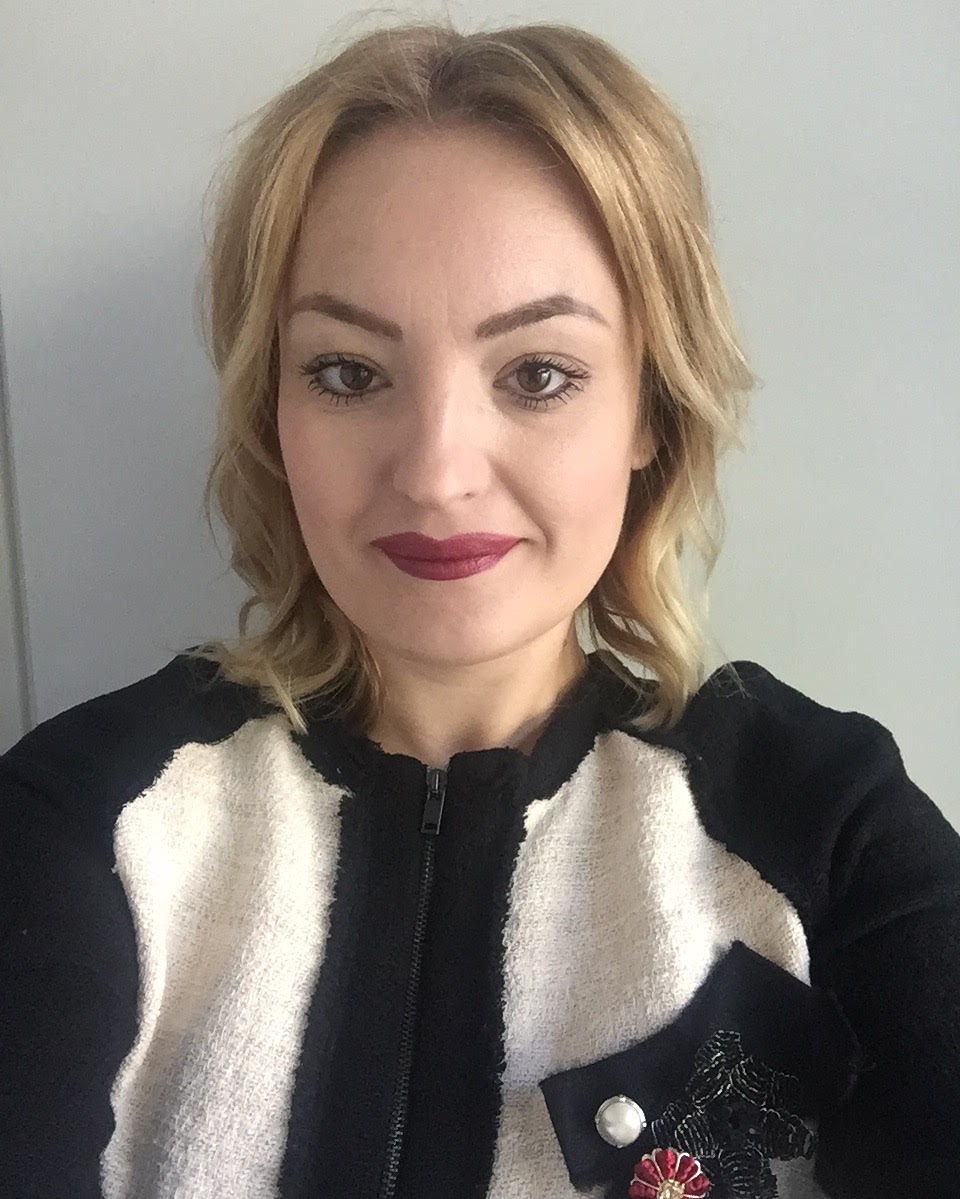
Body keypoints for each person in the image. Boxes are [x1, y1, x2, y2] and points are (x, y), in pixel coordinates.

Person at [2, 15, 958, 1199]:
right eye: (349, 372)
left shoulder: (828, 824)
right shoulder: (86, 815)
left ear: (650, 410)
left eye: (538, 374)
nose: (436, 472)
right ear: (272, 413)